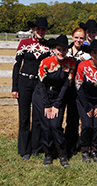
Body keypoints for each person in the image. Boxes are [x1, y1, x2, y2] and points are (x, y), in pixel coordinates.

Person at [12, 17, 53, 160]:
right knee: (24, 117)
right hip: (24, 82)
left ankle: (36, 147)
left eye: (44, 29)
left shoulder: (48, 47)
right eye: (39, 28)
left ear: (46, 30)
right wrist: (14, 87)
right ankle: (24, 149)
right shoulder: (24, 44)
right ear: (34, 29)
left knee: (37, 117)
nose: (41, 31)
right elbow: (17, 65)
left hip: (39, 84)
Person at [32, 35, 76, 167]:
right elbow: (41, 84)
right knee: (46, 126)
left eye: (64, 50)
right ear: (53, 49)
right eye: (59, 49)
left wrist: (56, 105)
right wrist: (46, 105)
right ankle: (48, 154)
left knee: (56, 125)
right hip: (42, 96)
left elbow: (65, 86)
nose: (61, 52)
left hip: (58, 96)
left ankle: (62, 154)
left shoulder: (71, 64)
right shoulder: (45, 62)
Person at [65, 27, 87, 155]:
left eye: (81, 38)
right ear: (72, 37)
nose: (78, 40)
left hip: (79, 89)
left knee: (73, 118)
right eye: (76, 37)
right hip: (64, 88)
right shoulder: (65, 50)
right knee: (61, 116)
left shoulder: (86, 53)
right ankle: (61, 142)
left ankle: (72, 144)